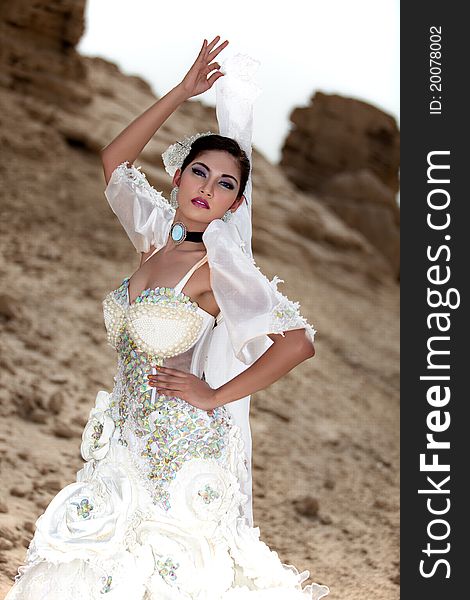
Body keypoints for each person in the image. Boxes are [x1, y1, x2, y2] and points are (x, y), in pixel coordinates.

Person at [5, 36, 329, 599]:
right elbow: (114, 162)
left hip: (180, 450)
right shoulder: (154, 240)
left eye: (226, 184)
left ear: (236, 205)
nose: (209, 189)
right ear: (177, 176)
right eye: (200, 173)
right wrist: (182, 92)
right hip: (123, 442)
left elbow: (296, 344)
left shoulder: (219, 268)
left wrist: (212, 394)